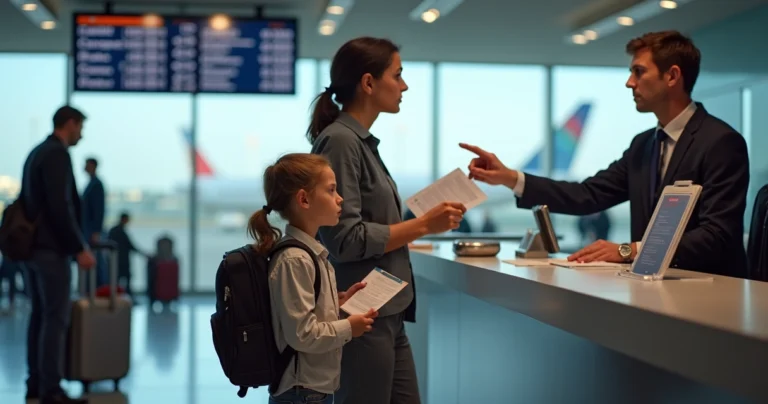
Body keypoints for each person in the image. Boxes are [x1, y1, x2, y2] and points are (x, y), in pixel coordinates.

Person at [460, 30, 750, 279]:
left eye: (638, 72)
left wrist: (628, 250)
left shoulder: (721, 142)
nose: (629, 83)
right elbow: (587, 195)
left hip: (711, 292)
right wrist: (511, 178)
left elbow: (717, 235)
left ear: (672, 76)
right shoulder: (643, 145)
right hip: (653, 291)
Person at [308, 36, 467, 404]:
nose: (404, 85)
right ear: (368, 83)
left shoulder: (359, 142)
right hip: (363, 314)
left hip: (386, 311)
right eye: (397, 75)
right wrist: (423, 224)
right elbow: (344, 239)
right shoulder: (342, 142)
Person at [248, 153, 379, 404]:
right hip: (301, 394)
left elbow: (303, 314)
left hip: (311, 390)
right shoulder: (295, 260)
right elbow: (303, 334)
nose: (340, 199)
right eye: (331, 190)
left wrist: (337, 304)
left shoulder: (310, 253)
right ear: (304, 199)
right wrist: (349, 327)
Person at [21, 106, 95, 404]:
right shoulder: (56, 154)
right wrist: (78, 247)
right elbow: (59, 205)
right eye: (80, 127)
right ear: (69, 124)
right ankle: (52, 389)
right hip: (51, 252)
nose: (82, 134)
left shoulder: (36, 152)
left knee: (40, 317)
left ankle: (36, 384)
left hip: (33, 251)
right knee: (56, 319)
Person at [106, 212, 146, 299]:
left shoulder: (114, 230)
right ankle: (125, 297)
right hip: (122, 261)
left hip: (115, 260)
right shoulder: (120, 231)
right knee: (125, 279)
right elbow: (131, 246)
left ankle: (118, 297)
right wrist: (143, 254)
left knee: (117, 280)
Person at [81, 157, 106, 286]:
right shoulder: (92, 184)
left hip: (91, 230)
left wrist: (96, 230)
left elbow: (99, 208)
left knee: (96, 261)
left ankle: (99, 289)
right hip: (88, 229)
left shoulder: (96, 185)